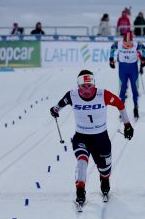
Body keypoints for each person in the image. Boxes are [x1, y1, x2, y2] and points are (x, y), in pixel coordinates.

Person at [49, 70, 134, 206]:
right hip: (81, 138)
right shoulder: (72, 95)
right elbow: (58, 106)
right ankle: (80, 190)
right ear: (78, 86)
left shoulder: (103, 94)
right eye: (83, 86)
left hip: (101, 139)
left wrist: (127, 125)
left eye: (89, 86)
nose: (87, 90)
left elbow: (120, 104)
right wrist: (54, 110)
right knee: (82, 161)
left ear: (94, 84)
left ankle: (104, 179)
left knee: (105, 170)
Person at [109, 31, 145, 119]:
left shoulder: (136, 44)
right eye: (126, 43)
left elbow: (144, 49)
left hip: (133, 68)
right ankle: (122, 109)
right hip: (123, 69)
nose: (128, 45)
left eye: (130, 43)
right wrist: (111, 59)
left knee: (134, 89)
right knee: (123, 89)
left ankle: (136, 107)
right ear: (123, 40)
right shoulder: (118, 44)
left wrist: (143, 59)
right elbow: (112, 48)